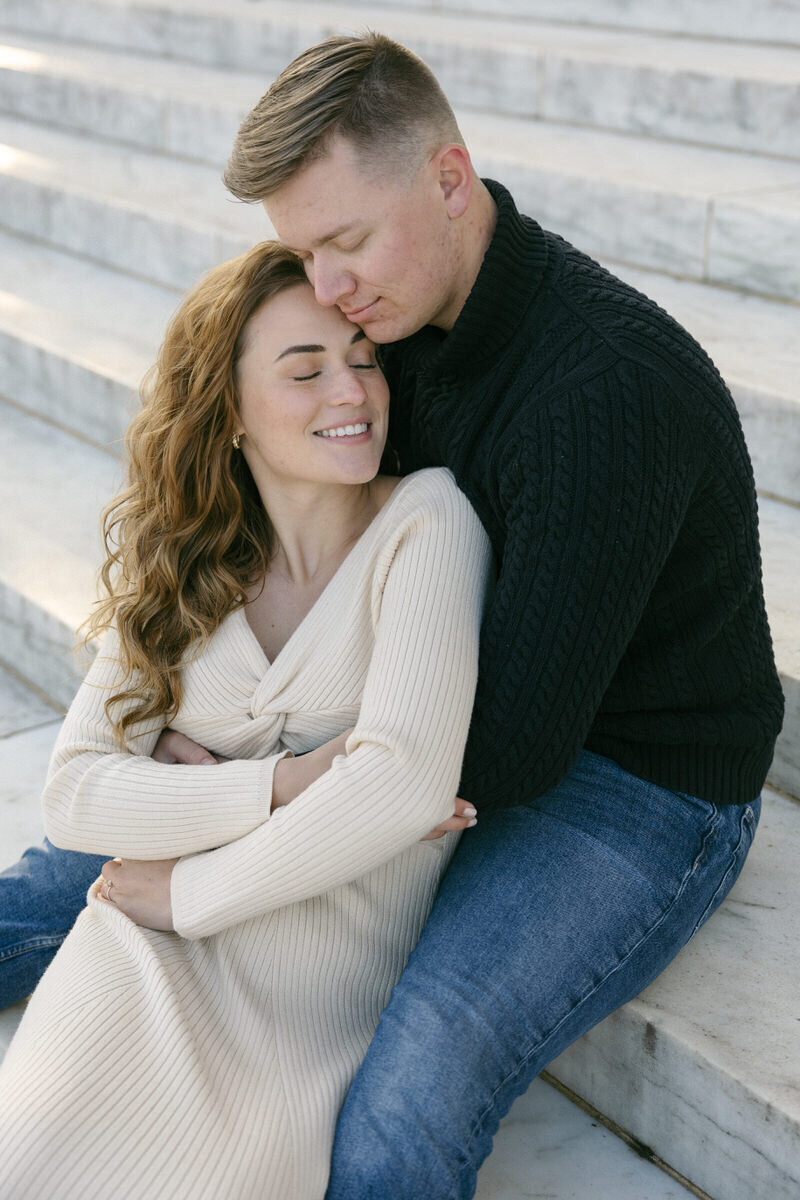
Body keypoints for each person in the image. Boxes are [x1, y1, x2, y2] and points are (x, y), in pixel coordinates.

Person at [0, 30, 784, 1199]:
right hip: (409, 715)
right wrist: (248, 770)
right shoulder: (388, 325)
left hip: (629, 784)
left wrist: (251, 785)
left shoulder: (604, 392)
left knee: (408, 1091)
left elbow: (503, 755)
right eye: (302, 251)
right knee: (62, 883)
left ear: (449, 179)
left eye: (345, 240)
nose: (328, 289)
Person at [0, 240, 492, 1199]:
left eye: (362, 360)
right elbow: (74, 794)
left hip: (303, 994)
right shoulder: (185, 560)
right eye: (304, 371)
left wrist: (185, 872)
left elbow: (402, 784)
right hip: (131, 950)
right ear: (229, 411)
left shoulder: (427, 521)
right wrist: (291, 784)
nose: (351, 393)